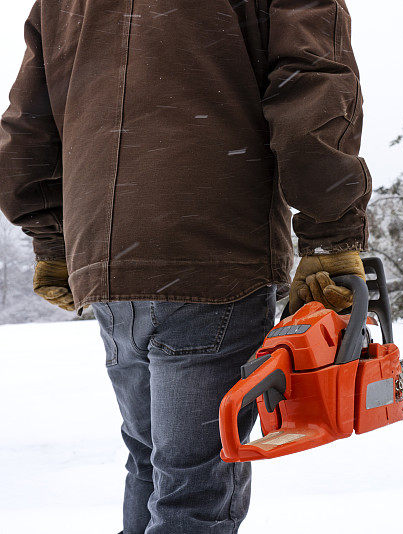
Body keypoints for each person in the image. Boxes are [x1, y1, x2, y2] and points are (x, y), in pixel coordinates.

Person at [0, 1, 371, 532]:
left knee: (153, 467)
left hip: (109, 266)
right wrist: (331, 235)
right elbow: (313, 85)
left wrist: (53, 240)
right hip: (213, 254)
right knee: (194, 490)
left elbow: (26, 124)